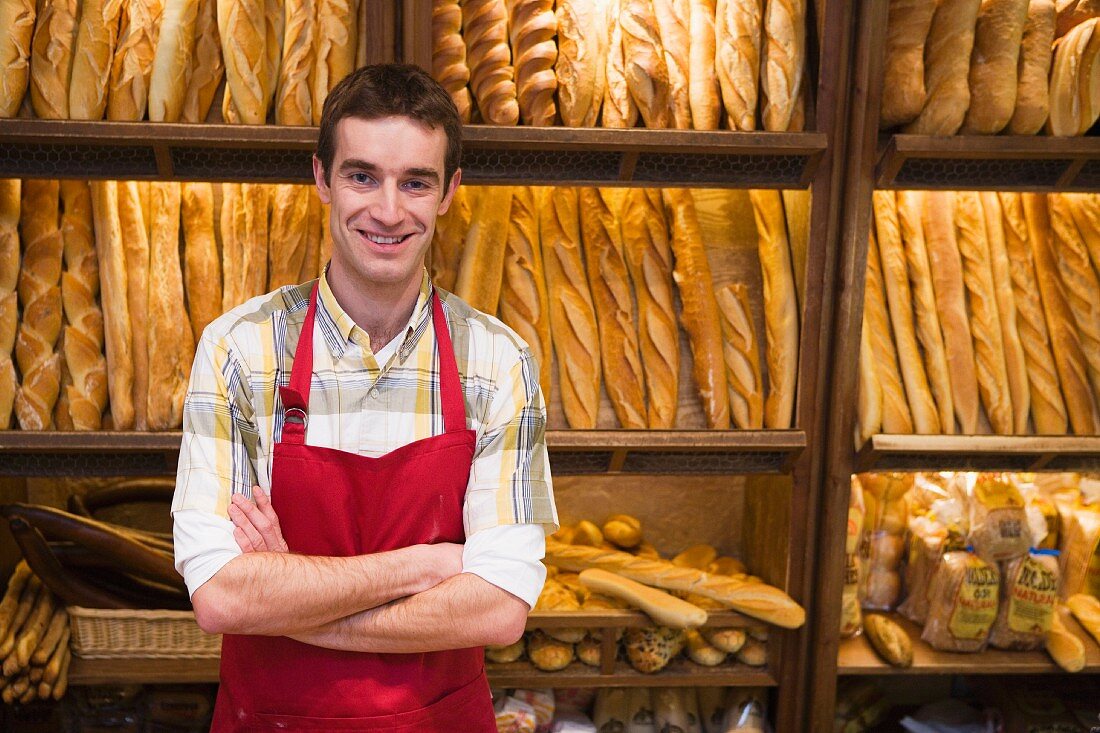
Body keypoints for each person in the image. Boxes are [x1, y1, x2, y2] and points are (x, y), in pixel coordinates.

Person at [171, 63, 558, 732]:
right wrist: (424, 566)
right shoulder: (239, 349)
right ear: (322, 178)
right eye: (362, 175)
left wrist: (292, 594)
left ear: (449, 192)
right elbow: (222, 597)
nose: (387, 209)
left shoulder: (497, 361)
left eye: (415, 182)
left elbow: (498, 608)